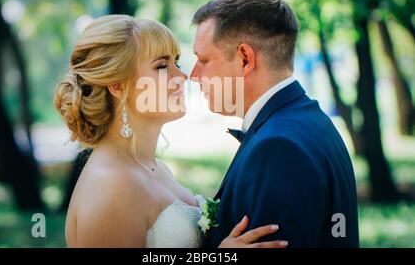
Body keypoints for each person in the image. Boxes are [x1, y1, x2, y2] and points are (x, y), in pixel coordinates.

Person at [54, 14, 286, 247]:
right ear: (117, 85)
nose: (182, 76)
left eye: (177, 62)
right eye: (162, 66)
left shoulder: (152, 166)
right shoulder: (110, 185)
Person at [190, 0, 360, 248]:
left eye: (203, 60)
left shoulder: (278, 148)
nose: (194, 74)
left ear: (245, 59)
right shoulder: (312, 120)